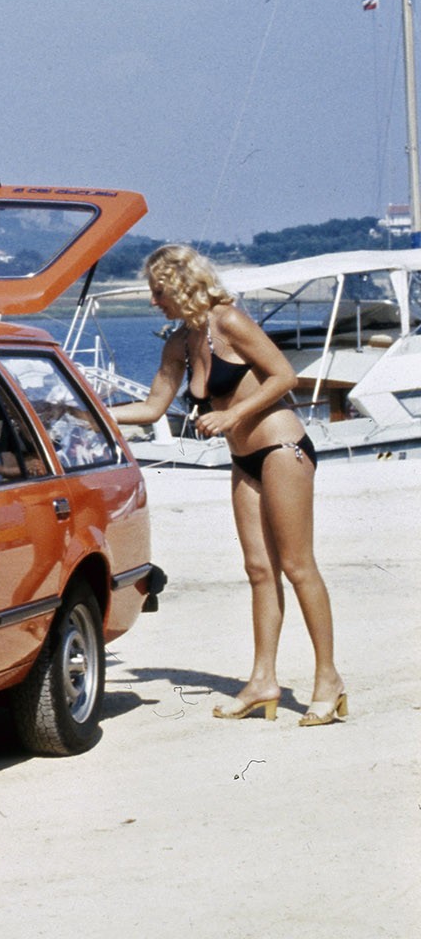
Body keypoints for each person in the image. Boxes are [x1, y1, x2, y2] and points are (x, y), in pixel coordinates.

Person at [110, 244, 346, 726]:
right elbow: (153, 408)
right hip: (244, 459)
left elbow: (284, 375)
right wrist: (90, 414)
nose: (154, 301)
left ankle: (329, 680)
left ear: (178, 284)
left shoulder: (230, 321)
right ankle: (263, 681)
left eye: (158, 292)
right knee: (259, 569)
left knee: (298, 567)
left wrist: (233, 414)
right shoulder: (178, 343)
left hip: (282, 449)